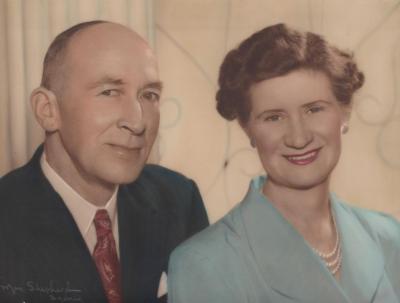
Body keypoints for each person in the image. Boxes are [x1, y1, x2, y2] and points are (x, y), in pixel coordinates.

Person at [168, 23, 400, 303]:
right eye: (274, 117)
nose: (299, 137)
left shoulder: (389, 237)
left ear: (345, 113)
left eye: (314, 109)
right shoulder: (202, 263)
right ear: (247, 129)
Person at [0, 20, 208, 303]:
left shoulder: (179, 199)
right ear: (48, 110)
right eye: (109, 92)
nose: (137, 122)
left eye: (149, 95)